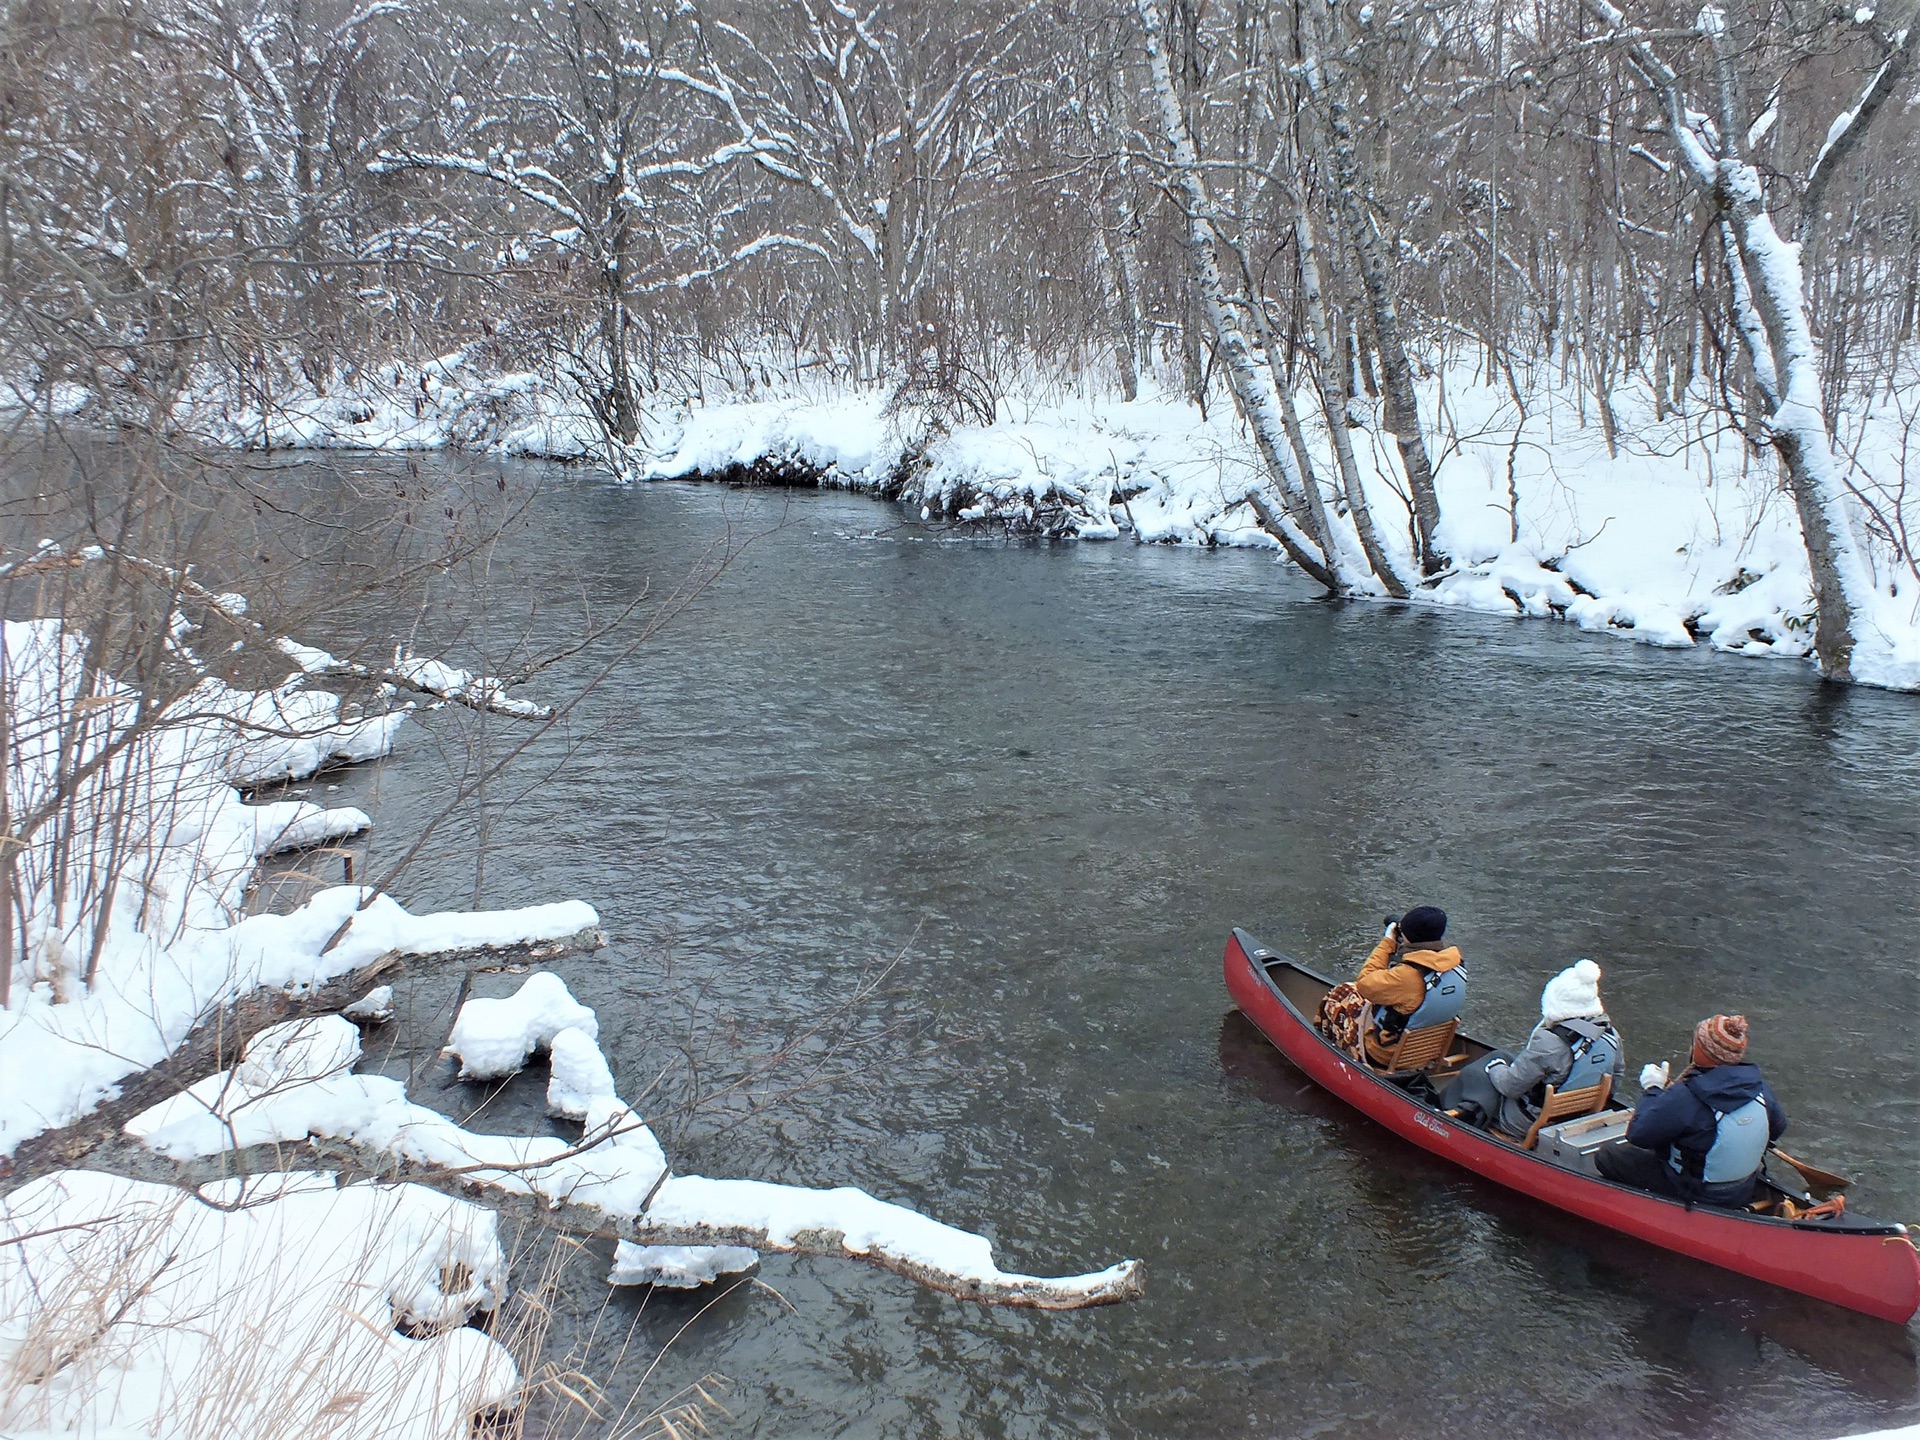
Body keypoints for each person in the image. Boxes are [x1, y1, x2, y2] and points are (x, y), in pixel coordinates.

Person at [1595, 1013, 1787, 1208]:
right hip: (1742, 1188)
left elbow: (1638, 1135)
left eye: (1695, 1042)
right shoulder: (1760, 1088)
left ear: (1702, 1051)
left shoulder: (1688, 1095)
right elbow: (1778, 1128)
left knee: (1608, 1155)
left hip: (1697, 1191)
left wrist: (1653, 1089)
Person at [1440, 960, 1625, 1137]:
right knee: (1503, 1057)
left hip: (1527, 1121)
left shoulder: (1548, 1042)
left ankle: (1440, 1108)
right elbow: (1615, 1079)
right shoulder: (1610, 1035)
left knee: (1482, 1070)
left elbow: (1509, 1087)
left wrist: (1495, 1066)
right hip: (1577, 1118)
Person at [1316, 906, 1464, 1065]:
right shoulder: (1456, 964)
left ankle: (1323, 1043)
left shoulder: (1407, 976)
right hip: (1429, 1048)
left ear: (1408, 937)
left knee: (1342, 994)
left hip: (1386, 1054)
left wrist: (1388, 942)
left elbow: (1364, 984)